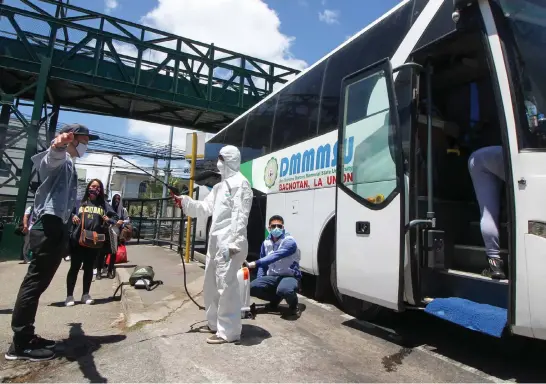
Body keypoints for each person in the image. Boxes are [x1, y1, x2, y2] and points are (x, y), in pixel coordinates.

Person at [6, 124, 98, 362]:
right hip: (49, 226)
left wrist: (75, 327)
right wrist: (58, 145)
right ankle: (21, 344)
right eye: (84, 139)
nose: (86, 144)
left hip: (57, 226)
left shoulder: (70, 163)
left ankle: (27, 335)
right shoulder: (60, 158)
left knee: (40, 282)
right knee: (35, 282)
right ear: (72, 139)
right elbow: (50, 161)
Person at [173, 145, 253, 344]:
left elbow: (240, 216)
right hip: (215, 243)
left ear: (230, 160)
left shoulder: (241, 184)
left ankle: (229, 332)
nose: (219, 163)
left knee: (226, 286)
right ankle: (215, 324)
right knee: (211, 284)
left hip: (230, 243)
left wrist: (234, 242)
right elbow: (204, 208)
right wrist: (185, 202)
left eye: (221, 159)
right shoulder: (219, 187)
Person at [66, 179, 117, 306]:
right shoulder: (80, 202)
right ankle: (69, 296)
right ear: (88, 187)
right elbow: (67, 211)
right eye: (93, 186)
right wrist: (73, 216)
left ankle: (85, 294)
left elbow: (115, 218)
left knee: (89, 268)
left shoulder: (103, 205)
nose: (95, 188)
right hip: (78, 240)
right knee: (74, 268)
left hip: (94, 242)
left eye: (98, 187)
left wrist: (108, 219)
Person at [247, 215, 301, 318]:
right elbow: (263, 264)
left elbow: (275, 256)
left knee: (285, 289)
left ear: (283, 228)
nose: (277, 228)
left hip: (289, 276)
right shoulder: (266, 243)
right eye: (273, 226)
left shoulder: (289, 241)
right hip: (273, 276)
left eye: (279, 226)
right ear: (269, 228)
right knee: (252, 287)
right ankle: (275, 299)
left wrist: (255, 263)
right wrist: (260, 280)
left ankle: (294, 306)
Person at [96, 193, 129, 279]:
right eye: (115, 199)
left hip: (115, 233)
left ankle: (110, 271)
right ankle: (99, 272)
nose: (116, 201)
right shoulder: (106, 207)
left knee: (113, 252)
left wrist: (120, 222)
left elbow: (126, 220)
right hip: (104, 232)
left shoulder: (122, 210)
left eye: (118, 199)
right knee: (101, 253)